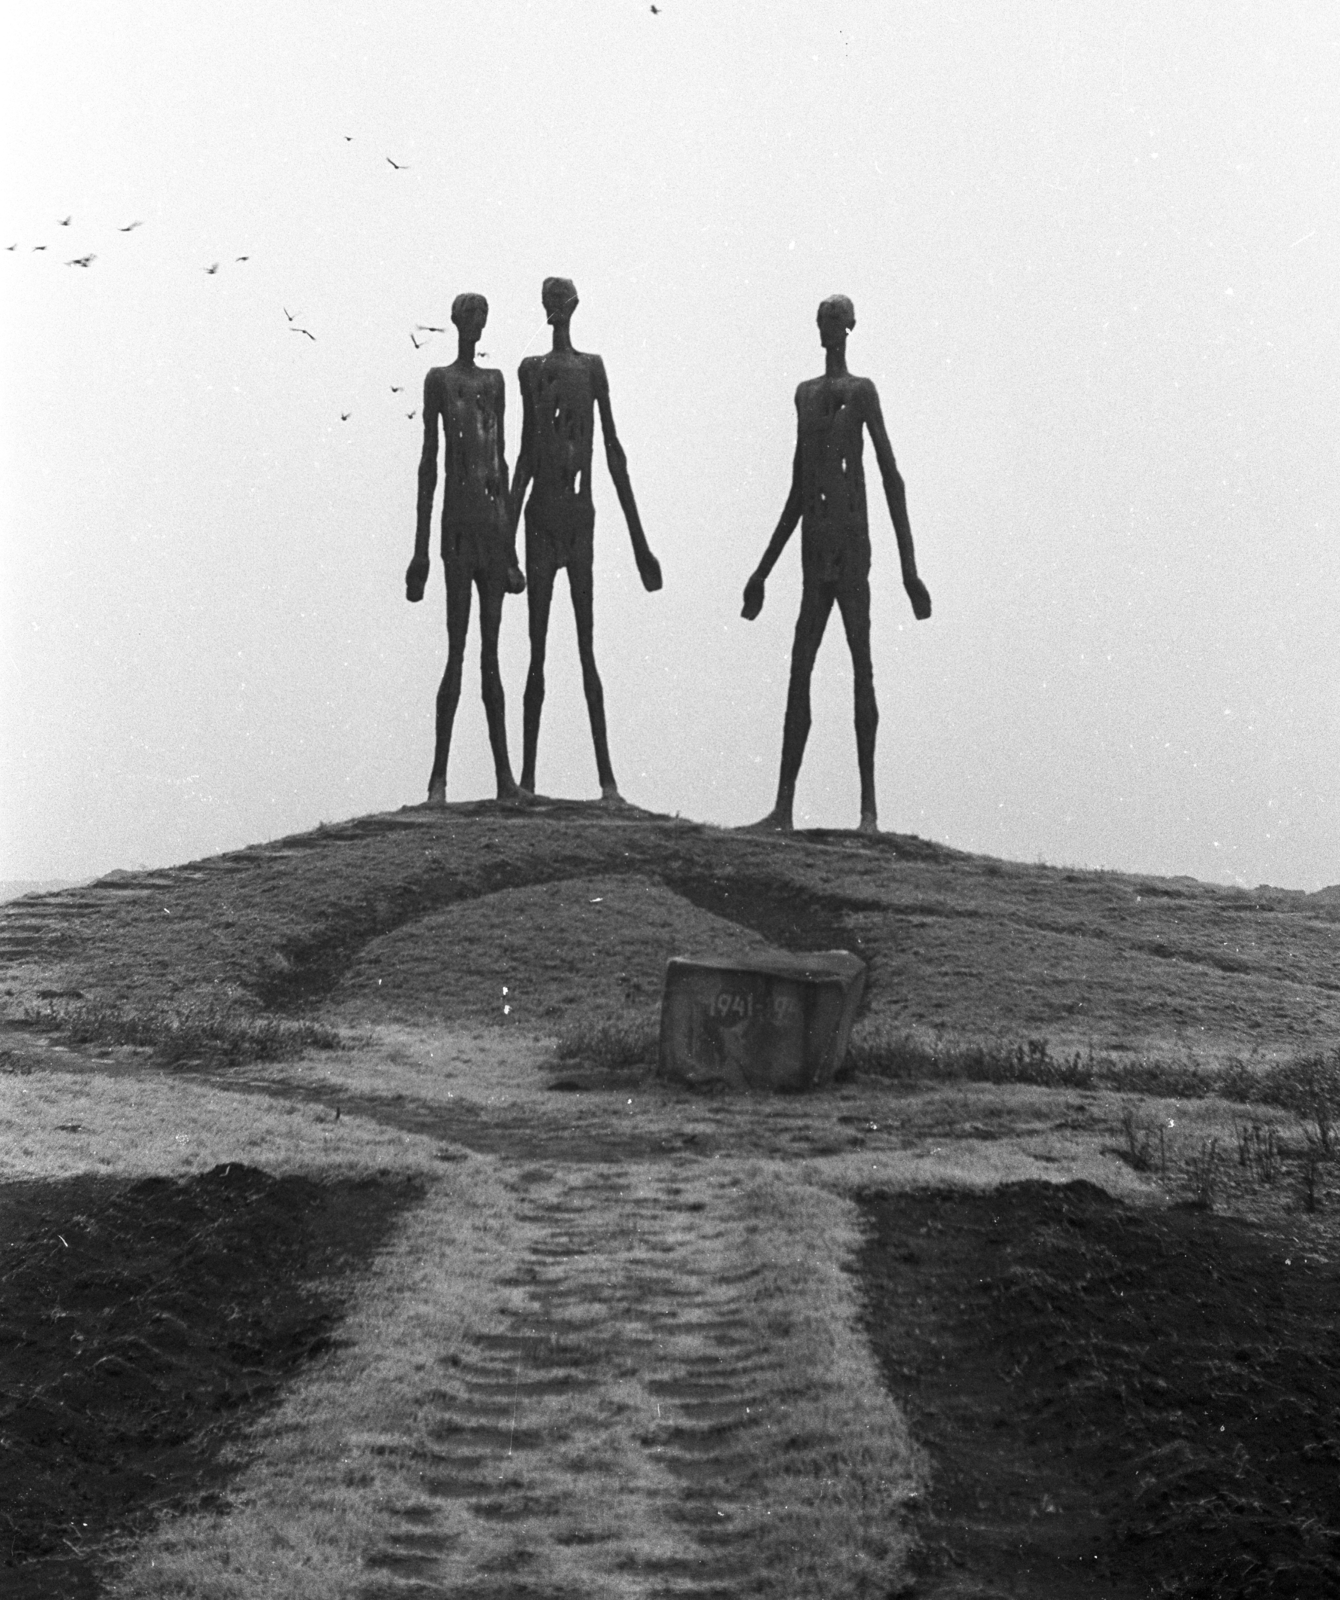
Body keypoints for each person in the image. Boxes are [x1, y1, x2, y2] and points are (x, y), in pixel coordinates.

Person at [742, 294, 931, 833]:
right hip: (815, 548)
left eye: (836, 323)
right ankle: (783, 807)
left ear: (849, 329)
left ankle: (868, 812)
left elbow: (891, 478)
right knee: (800, 668)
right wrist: (763, 570)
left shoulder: (862, 393)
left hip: (852, 546)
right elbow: (798, 491)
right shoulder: (804, 396)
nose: (829, 331)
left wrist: (908, 570)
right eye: (823, 322)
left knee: (859, 665)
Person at [508, 277, 662, 802]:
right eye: (547, 303)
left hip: (579, 518)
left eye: (560, 302)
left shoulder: (590, 368)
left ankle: (607, 782)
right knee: (537, 653)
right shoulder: (531, 370)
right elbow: (526, 454)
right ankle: (527, 779)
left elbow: (613, 450)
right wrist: (506, 541)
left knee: (586, 650)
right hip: (542, 518)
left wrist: (640, 542)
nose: (554, 310)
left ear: (572, 306)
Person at [404, 292, 525, 803]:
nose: (477, 325)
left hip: (493, 530)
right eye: (470, 317)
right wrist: (420, 552)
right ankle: (438, 780)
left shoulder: (494, 383)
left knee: (492, 658)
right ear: (456, 322)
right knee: (456, 653)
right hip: (456, 527)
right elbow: (429, 463)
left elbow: (501, 459)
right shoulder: (439, 381)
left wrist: (513, 551)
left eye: (483, 318)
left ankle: (504, 779)